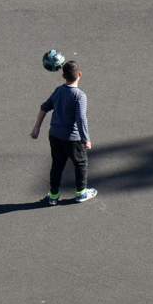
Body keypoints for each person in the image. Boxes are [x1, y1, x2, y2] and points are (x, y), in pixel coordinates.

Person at [29, 59, 96, 204]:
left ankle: (53, 196)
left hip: (55, 136)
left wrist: (36, 128)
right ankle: (81, 193)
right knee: (81, 163)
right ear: (80, 74)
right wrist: (86, 139)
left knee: (57, 165)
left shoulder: (59, 91)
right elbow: (81, 119)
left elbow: (44, 107)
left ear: (63, 76)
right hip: (73, 139)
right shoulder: (80, 96)